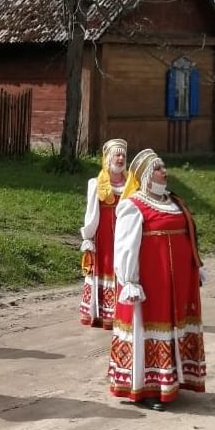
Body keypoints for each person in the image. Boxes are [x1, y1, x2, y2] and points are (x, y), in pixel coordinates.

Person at [108, 149, 206, 412]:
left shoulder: (174, 202)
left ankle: (171, 382)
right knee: (150, 327)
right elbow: (125, 246)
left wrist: (196, 264)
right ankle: (148, 389)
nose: (164, 171)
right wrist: (129, 280)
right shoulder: (134, 205)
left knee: (177, 325)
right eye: (159, 168)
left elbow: (189, 235)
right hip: (152, 283)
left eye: (163, 166)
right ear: (147, 176)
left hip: (179, 282)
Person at [79, 139, 128, 329]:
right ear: (108, 158)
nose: (120, 158)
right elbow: (92, 213)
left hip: (124, 238)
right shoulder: (97, 184)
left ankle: (122, 312)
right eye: (117, 154)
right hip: (105, 238)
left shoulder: (131, 185)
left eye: (123, 154)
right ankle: (102, 314)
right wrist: (88, 237)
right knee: (106, 269)